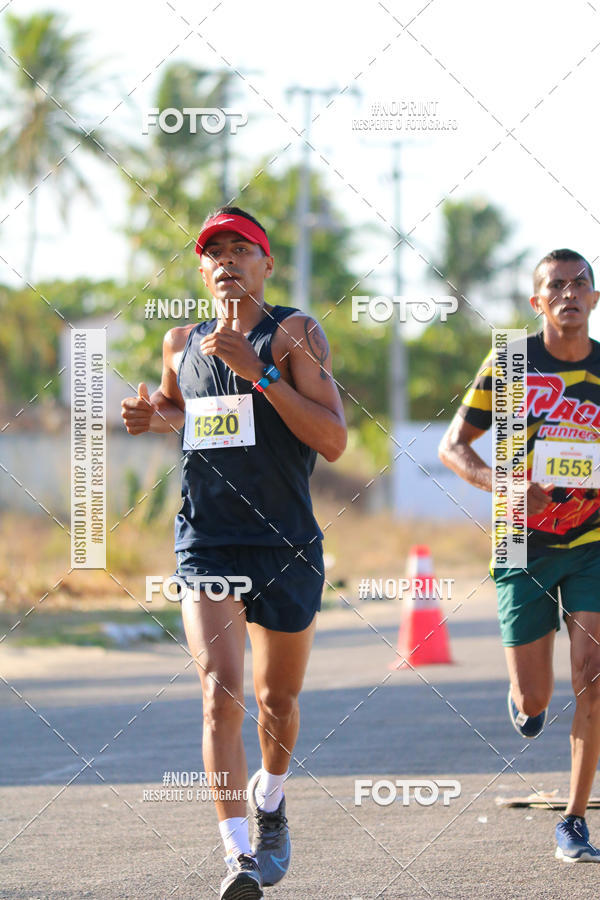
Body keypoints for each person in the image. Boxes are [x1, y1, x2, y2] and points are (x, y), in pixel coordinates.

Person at [121, 206, 347, 898]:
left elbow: (333, 439)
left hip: (285, 540)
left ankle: (272, 800)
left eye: (240, 248)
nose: (226, 260)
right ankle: (238, 856)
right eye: (213, 250)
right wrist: (149, 418)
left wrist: (261, 374)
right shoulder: (180, 341)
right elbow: (177, 410)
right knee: (220, 694)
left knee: (276, 698)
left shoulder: (294, 334)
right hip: (208, 540)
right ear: (201, 269)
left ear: (266, 264)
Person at [439, 248, 600, 863]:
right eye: (555, 286)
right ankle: (525, 703)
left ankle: (575, 819)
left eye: (579, 283)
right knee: (536, 698)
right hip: (521, 542)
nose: (568, 293)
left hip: (591, 543)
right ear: (537, 303)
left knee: (592, 673)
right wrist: (505, 484)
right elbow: (456, 447)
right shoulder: (512, 363)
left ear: (593, 298)